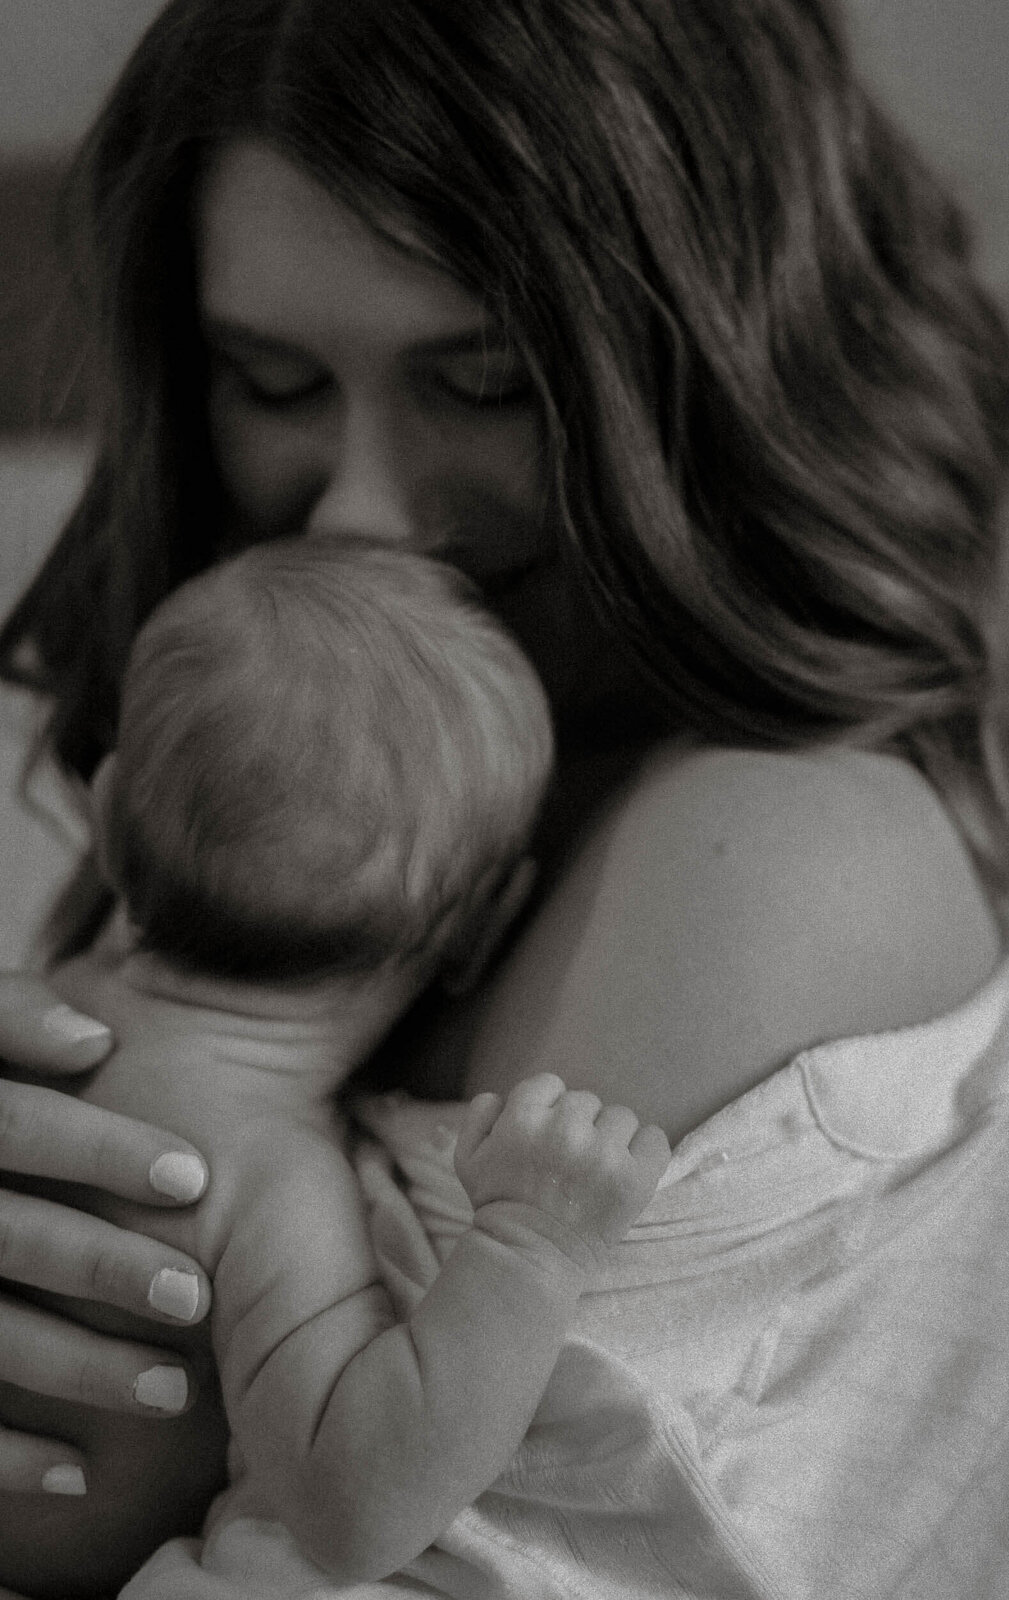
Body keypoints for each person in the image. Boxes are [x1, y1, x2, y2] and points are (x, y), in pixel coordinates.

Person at [0, 0, 1009, 1595]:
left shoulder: (759, 849)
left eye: (481, 382)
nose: (359, 514)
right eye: (270, 379)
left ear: (726, 375)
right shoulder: (310, 809)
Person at [0, 533, 668, 1597]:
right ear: (481, 928)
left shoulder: (30, 1027)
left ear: (114, 818)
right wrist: (530, 1249)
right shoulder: (264, 1181)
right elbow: (356, 1509)